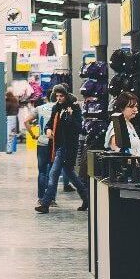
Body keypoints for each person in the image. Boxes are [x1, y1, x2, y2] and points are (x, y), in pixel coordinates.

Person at [36, 84, 90, 214]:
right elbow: (49, 123)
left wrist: (70, 117)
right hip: (59, 145)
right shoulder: (56, 107)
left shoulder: (74, 108)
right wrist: (48, 129)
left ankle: (45, 203)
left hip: (69, 147)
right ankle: (86, 198)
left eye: (61, 96)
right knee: (70, 174)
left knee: (53, 173)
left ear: (66, 95)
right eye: (57, 96)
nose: (59, 98)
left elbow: (79, 128)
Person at [23, 95, 56, 202]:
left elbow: (26, 121)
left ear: (47, 98)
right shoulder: (59, 108)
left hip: (42, 143)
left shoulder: (39, 108)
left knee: (42, 172)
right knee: (53, 172)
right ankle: (51, 199)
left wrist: (33, 135)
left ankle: (41, 198)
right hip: (54, 144)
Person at [105, 92, 140, 156]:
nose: (135, 109)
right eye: (131, 107)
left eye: (136, 106)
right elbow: (117, 151)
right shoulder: (116, 125)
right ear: (121, 108)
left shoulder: (129, 124)